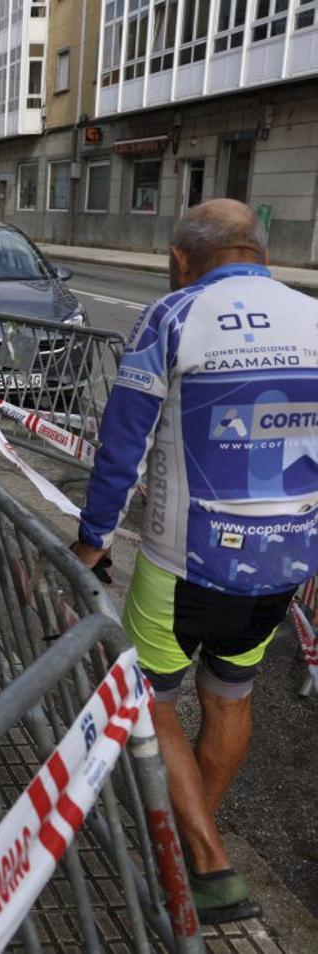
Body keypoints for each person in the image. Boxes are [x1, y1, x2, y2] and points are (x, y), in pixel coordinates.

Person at [71, 199, 318, 925]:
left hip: (187, 562)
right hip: (282, 564)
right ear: (261, 251)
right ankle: (184, 862)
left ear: (180, 260)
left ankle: (205, 864)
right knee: (232, 697)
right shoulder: (313, 319)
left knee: (148, 702)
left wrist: (91, 541)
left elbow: (121, 447)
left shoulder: (173, 316)